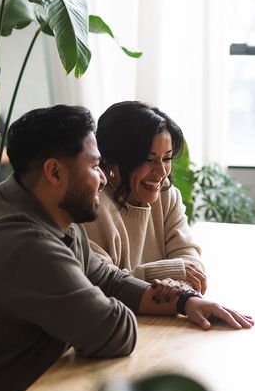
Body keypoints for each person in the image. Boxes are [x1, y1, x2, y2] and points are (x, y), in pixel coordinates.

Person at [0, 104, 251, 391]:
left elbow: (109, 278)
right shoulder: (25, 243)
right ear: (55, 172)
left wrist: (184, 301)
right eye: (95, 166)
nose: (105, 178)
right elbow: (113, 331)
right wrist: (111, 298)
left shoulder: (42, 209)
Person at [83, 101, 207, 293]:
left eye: (167, 158)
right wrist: (170, 273)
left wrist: (176, 290)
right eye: (148, 159)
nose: (161, 172)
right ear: (110, 160)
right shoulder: (91, 206)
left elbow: (190, 263)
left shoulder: (167, 195)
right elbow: (103, 282)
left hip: (163, 315)